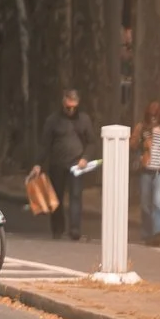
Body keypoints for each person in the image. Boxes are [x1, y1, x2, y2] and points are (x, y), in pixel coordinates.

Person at [40, 88, 95, 242]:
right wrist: (38, 164)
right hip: (57, 163)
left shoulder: (84, 120)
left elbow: (91, 142)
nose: (70, 110)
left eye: (73, 108)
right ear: (63, 103)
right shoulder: (53, 120)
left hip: (76, 164)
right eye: (68, 107)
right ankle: (57, 228)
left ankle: (75, 229)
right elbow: (45, 144)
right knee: (57, 197)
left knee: (76, 196)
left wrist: (85, 158)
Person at [137, 99, 160, 245]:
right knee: (145, 204)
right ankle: (147, 232)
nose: (153, 118)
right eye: (151, 115)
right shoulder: (141, 128)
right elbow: (132, 145)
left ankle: (157, 233)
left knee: (158, 201)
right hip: (146, 170)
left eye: (156, 115)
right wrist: (141, 141)